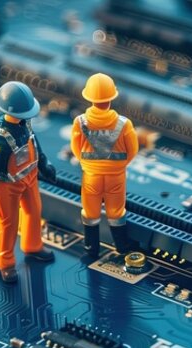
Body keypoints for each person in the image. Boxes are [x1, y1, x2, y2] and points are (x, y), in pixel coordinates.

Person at [0, 81, 57, 283]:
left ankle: (32, 246)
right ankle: (5, 264)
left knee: (34, 211)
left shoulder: (26, 124)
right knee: (8, 224)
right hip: (7, 186)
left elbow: (34, 143)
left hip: (30, 178)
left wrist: (44, 163)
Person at [70, 73, 139, 259]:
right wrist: (119, 165)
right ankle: (122, 246)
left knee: (91, 212)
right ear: (111, 97)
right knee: (116, 212)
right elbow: (133, 150)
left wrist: (87, 164)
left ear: (89, 98)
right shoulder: (124, 124)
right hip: (115, 176)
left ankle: (91, 248)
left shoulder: (80, 122)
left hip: (91, 175)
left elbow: (75, 148)